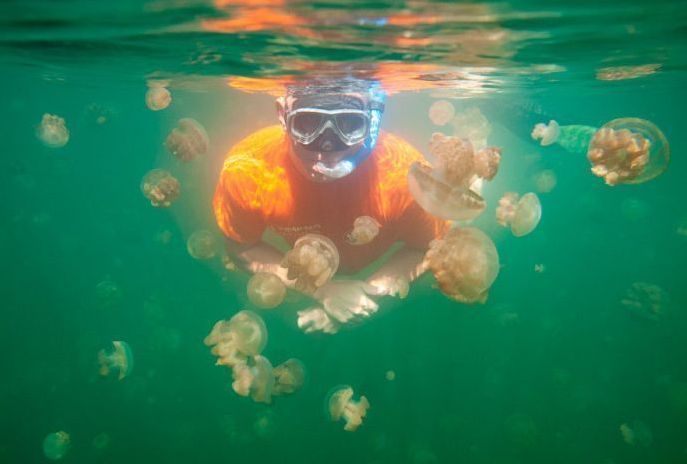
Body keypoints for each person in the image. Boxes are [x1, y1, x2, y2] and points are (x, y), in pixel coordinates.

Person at [213, 79, 448, 332]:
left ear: (372, 122)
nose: (326, 150)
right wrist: (322, 291)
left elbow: (430, 248)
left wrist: (366, 296)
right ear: (283, 115)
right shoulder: (248, 170)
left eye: (350, 123)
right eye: (307, 122)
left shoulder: (406, 177)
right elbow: (241, 245)